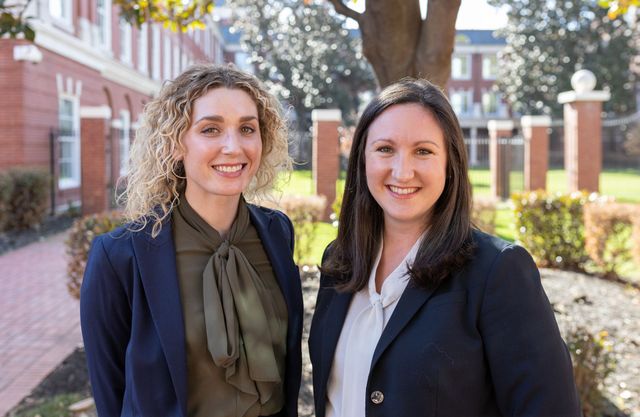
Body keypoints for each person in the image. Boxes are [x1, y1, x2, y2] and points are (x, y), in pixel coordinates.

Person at [308, 78, 581, 417]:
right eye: (385, 149)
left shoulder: (497, 272)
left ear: (449, 162)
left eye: (423, 151)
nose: (402, 171)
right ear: (362, 159)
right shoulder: (339, 260)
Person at [80, 64, 303, 417]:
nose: (233, 147)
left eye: (247, 128)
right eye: (210, 129)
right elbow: (110, 390)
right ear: (176, 143)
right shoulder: (120, 255)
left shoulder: (277, 232)